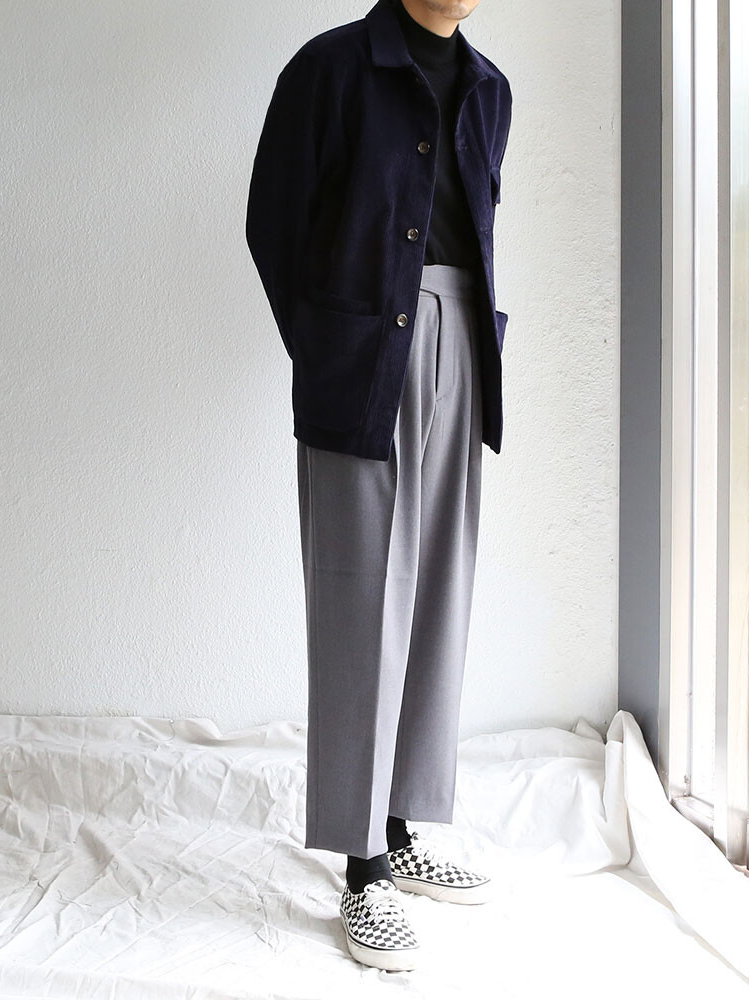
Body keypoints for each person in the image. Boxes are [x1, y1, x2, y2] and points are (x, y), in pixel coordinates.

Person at [245, 0, 512, 972]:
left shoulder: (490, 90)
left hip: (460, 345)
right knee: (363, 604)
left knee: (437, 593)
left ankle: (400, 826)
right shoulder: (327, 70)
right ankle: (361, 871)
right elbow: (273, 225)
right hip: (364, 354)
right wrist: (331, 347)